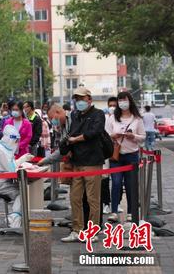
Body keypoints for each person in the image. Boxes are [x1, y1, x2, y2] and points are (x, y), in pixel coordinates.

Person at [60, 87, 105, 243]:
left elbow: (95, 132)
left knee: (93, 199)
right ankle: (77, 229)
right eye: (76, 99)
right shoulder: (74, 115)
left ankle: (92, 232)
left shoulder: (98, 114)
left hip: (93, 162)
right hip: (77, 163)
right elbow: (71, 133)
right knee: (75, 198)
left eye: (82, 98)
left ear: (89, 99)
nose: (79, 102)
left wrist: (76, 139)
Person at [0, 125, 33, 228]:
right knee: (22, 192)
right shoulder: (0, 150)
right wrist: (23, 159)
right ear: (10, 139)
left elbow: (11, 165)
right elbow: (11, 169)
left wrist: (22, 160)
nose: (16, 144)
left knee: (23, 191)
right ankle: (13, 221)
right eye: (15, 141)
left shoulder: (3, 148)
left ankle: (16, 218)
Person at [105, 91, 145, 222]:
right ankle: (114, 211)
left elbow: (143, 137)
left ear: (130, 101)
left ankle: (131, 212)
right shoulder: (112, 118)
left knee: (130, 185)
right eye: (120, 100)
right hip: (116, 155)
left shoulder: (137, 119)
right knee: (116, 183)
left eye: (125, 100)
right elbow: (105, 135)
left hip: (132, 156)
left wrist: (133, 136)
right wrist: (113, 136)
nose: (122, 103)